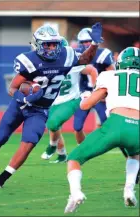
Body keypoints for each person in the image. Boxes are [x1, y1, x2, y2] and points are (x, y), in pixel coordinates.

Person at [0, 22, 103, 188]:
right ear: (37, 45)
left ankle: (3, 177)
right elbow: (12, 88)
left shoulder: (66, 55)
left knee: (29, 142)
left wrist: (95, 44)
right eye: (47, 44)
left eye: (54, 44)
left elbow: (85, 59)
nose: (51, 48)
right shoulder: (28, 60)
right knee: (0, 138)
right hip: (20, 105)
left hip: (40, 110)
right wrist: (24, 98)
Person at [64, 46, 140, 213]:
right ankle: (129, 189)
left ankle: (76, 193)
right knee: (135, 154)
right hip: (137, 128)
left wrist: (85, 97)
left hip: (115, 124)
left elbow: (86, 105)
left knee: (74, 158)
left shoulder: (109, 75)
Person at [41, 38, 98, 163]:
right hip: (53, 101)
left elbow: (92, 70)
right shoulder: (46, 63)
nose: (51, 51)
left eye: (54, 48)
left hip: (70, 99)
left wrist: (95, 88)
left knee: (53, 124)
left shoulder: (73, 62)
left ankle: (52, 146)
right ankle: (61, 154)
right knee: (53, 127)